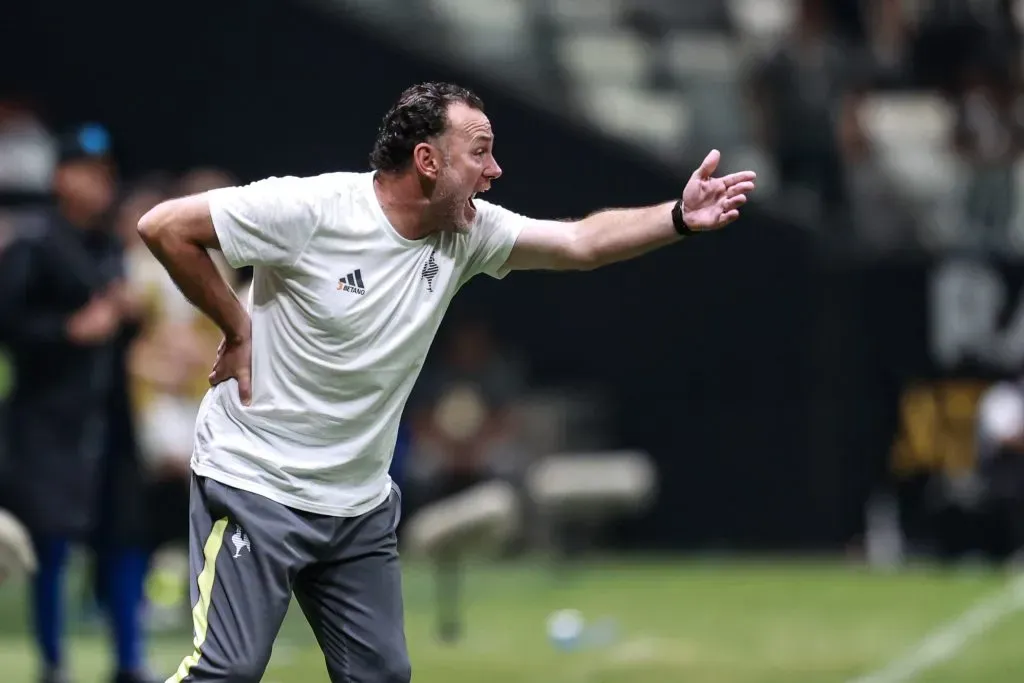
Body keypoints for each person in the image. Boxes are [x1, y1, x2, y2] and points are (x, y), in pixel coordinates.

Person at [138, 81, 757, 683]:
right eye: (480, 152)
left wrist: (677, 216)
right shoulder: (312, 209)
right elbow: (164, 226)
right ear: (427, 161)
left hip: (356, 505)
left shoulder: (466, 233)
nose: (495, 171)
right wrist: (237, 327)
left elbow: (580, 242)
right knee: (228, 671)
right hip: (257, 482)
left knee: (381, 676)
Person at [0, 123, 154, 683]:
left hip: (110, 417)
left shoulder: (111, 246)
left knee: (125, 535)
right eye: (86, 173)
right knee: (51, 541)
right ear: (60, 177)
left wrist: (131, 319)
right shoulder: (32, 244)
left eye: (105, 175)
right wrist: (69, 329)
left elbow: (121, 332)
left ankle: (130, 657)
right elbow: (10, 326)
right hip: (47, 419)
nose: (98, 185)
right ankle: (52, 658)